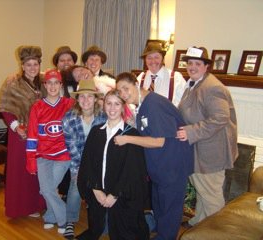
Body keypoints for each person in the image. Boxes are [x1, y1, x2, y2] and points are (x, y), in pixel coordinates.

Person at [114, 72, 194, 240]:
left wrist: (127, 139)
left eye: (125, 88)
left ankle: (166, 236)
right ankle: (160, 230)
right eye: (119, 91)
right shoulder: (143, 105)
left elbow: (159, 141)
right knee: (159, 203)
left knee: (169, 207)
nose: (123, 94)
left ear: (136, 84)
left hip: (171, 165)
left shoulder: (154, 105)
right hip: (160, 166)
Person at [177, 46, 238, 228]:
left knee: (211, 196)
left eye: (197, 63)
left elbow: (220, 118)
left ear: (206, 66)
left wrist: (190, 131)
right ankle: (200, 223)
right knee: (203, 190)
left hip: (211, 153)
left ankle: (216, 231)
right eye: (189, 63)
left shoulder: (212, 87)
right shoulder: (194, 84)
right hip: (199, 149)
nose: (192, 67)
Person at [76, 89, 149, 240]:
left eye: (117, 104)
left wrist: (115, 194)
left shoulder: (131, 135)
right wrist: (95, 189)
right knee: (98, 227)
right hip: (100, 190)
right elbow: (87, 163)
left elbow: (132, 171)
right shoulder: (96, 132)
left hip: (122, 194)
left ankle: (150, 219)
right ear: (103, 106)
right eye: (109, 103)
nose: (112, 108)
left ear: (123, 107)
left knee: (126, 232)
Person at [0, 45, 45, 218]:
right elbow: (4, 107)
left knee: (40, 171)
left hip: (41, 134)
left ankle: (39, 203)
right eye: (29, 64)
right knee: (23, 171)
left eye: (36, 64)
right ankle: (23, 207)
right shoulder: (13, 82)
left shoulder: (45, 81)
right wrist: (17, 126)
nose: (32, 68)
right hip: (21, 134)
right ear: (22, 66)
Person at [26, 69, 74, 234]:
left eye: (56, 82)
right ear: (45, 85)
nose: (53, 86)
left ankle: (57, 218)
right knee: (48, 189)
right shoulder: (37, 107)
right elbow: (32, 135)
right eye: (49, 83)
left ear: (61, 85)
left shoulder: (69, 104)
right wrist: (31, 159)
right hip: (43, 155)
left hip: (63, 155)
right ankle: (54, 216)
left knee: (47, 189)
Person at [62, 79, 106, 239]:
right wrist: (79, 171)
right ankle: (70, 221)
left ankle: (102, 220)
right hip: (78, 163)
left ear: (95, 99)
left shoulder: (104, 117)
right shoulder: (69, 118)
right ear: (77, 99)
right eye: (82, 96)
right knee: (75, 186)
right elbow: (71, 148)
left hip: (99, 163)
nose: (86, 100)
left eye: (90, 96)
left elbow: (105, 147)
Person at [52, 46, 78, 200]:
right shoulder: (49, 82)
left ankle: (70, 194)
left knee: (72, 164)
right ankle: (57, 194)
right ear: (57, 64)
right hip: (55, 131)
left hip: (74, 130)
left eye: (69, 60)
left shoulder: (77, 81)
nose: (66, 63)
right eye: (62, 60)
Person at [137, 41, 186, 107]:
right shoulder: (140, 78)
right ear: (145, 60)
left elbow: (184, 105)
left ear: (162, 58)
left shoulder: (176, 78)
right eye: (149, 58)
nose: (153, 61)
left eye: (156, 57)